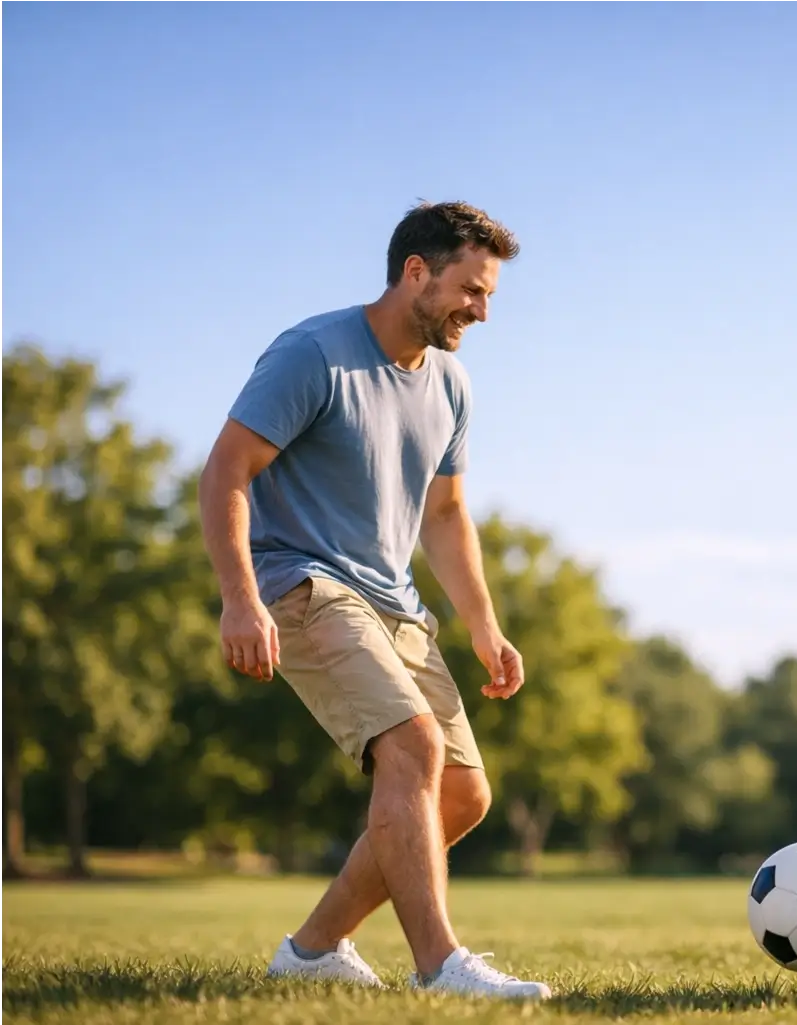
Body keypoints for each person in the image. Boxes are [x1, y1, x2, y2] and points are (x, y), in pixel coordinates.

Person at [198, 201, 549, 1001]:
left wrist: (485, 627)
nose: (483, 310)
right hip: (304, 581)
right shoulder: (313, 353)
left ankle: (314, 950)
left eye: (491, 295)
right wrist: (239, 598)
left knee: (463, 792)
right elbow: (225, 471)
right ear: (415, 272)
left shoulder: (452, 385)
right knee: (414, 746)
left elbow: (447, 513)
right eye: (471, 289)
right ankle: (440, 966)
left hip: (397, 603)